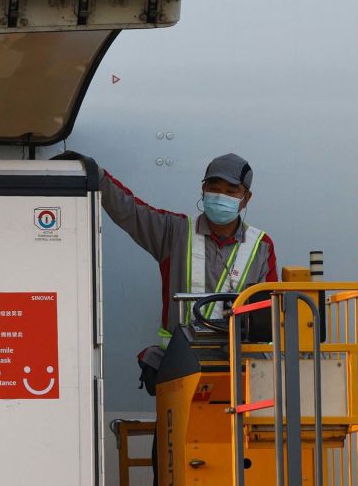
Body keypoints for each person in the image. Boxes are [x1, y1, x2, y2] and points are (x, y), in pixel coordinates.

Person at [100, 152, 278, 391]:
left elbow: (271, 315)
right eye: (214, 188)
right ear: (203, 190)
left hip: (238, 372)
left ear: (246, 198)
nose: (220, 196)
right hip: (180, 369)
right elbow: (130, 212)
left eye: (230, 191)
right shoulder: (175, 232)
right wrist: (98, 177)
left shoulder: (262, 246)